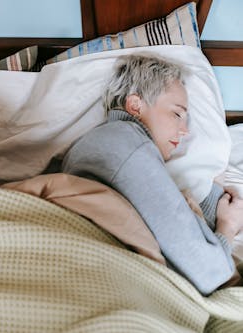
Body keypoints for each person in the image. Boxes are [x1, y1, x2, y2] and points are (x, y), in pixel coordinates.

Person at [62, 53, 243, 295]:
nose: (185, 130)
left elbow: (159, 220)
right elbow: (208, 273)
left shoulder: (107, 145)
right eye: (177, 114)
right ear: (135, 105)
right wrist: (228, 227)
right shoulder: (126, 144)